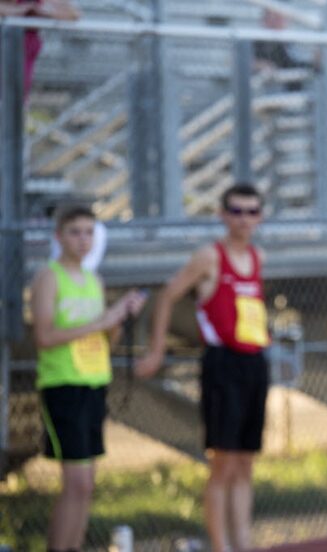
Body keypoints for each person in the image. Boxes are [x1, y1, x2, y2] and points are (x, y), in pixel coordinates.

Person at [136, 183, 270, 552]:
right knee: (223, 462)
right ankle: (220, 545)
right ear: (223, 215)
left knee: (245, 462)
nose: (245, 219)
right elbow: (166, 296)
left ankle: (242, 542)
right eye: (237, 211)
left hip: (254, 363)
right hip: (223, 365)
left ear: (260, 216)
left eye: (252, 211)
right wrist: (156, 350)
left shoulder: (258, 258)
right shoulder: (209, 258)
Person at [31, 204, 145, 552]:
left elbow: (106, 339)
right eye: (75, 232)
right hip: (63, 384)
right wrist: (99, 322)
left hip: (94, 382)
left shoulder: (93, 279)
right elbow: (45, 336)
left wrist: (118, 319)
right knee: (76, 482)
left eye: (89, 233)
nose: (83, 240)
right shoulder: (49, 277)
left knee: (87, 484)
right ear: (59, 237)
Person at [0, 0, 80, 99]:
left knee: (15, 95)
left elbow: (73, 14)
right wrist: (16, 11)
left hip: (24, 49)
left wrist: (45, 12)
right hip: (7, 44)